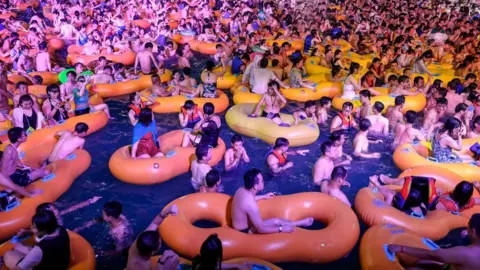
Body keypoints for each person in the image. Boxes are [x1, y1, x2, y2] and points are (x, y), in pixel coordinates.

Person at [231, 168, 314, 234]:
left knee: (275, 221)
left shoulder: (241, 190)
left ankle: (298, 223)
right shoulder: (251, 204)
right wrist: (281, 229)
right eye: (262, 181)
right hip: (244, 231)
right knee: (276, 221)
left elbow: (246, 202)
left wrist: (263, 196)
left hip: (237, 225)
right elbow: (261, 229)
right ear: (255, 186)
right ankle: (299, 223)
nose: (263, 183)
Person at [387, 213, 480, 270]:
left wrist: (402, 248)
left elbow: (433, 255)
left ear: (474, 231)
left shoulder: (465, 253)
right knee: (422, 263)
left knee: (413, 268)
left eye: (468, 226)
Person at [3, 210, 70, 270]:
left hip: (45, 266)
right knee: (17, 246)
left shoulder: (41, 248)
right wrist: (28, 232)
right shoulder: (60, 229)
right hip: (60, 264)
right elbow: (44, 232)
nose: (31, 228)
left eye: (34, 227)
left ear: (43, 230)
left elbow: (18, 269)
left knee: (8, 255)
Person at [126, 205, 179, 270]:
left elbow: (155, 223)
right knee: (173, 259)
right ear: (153, 252)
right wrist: (161, 262)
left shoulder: (142, 239)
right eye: (159, 242)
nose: (160, 240)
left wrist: (166, 211)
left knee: (173, 257)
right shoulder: (138, 266)